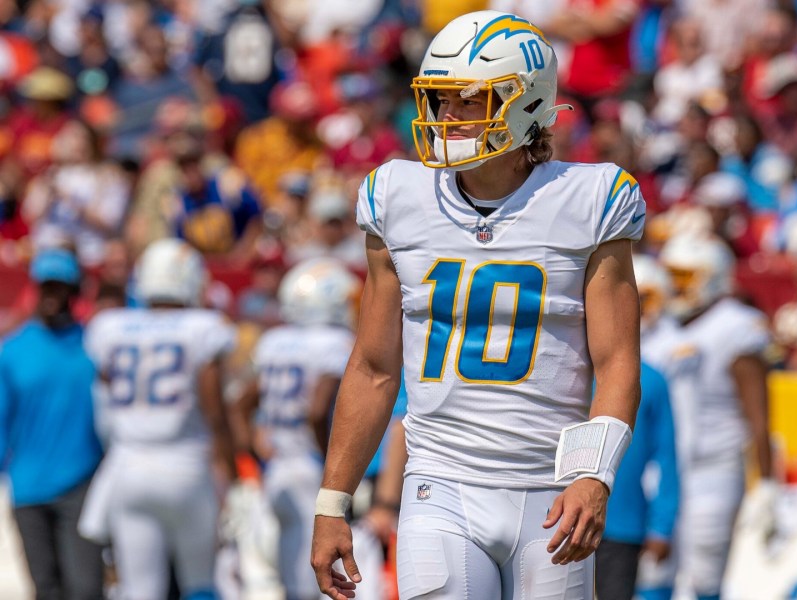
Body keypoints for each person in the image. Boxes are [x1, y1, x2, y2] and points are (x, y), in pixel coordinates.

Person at [310, 10, 644, 600]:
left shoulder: (592, 198)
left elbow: (617, 362)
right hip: (439, 483)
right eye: (441, 100)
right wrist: (333, 502)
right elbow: (374, 365)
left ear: (528, 103)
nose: (450, 116)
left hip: (550, 487)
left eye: (472, 99)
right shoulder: (396, 196)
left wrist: (595, 474)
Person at [82, 238, 237, 600]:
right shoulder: (203, 326)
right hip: (185, 467)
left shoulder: (110, 327)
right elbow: (215, 410)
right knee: (200, 583)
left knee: (139, 590)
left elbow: (107, 382)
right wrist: (232, 475)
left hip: (128, 469)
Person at [641, 233, 776, 600]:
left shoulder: (736, 325)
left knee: (704, 578)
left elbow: (759, 414)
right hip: (661, 467)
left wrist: (766, 481)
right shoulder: (657, 324)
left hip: (714, 467)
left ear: (712, 276)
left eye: (685, 276)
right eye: (672, 274)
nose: (675, 285)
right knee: (651, 575)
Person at [231, 257, 360, 600]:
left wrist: (256, 452)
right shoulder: (334, 343)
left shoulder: (274, 341)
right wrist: (329, 459)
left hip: (277, 469)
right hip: (310, 468)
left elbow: (241, 404)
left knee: (293, 577)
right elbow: (317, 412)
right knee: (320, 582)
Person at [0, 248, 105, 600]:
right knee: (46, 589)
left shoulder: (94, 346)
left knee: (86, 589)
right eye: (46, 287)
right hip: (27, 488)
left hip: (82, 485)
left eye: (60, 288)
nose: (51, 296)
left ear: (74, 292)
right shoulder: (12, 351)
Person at [595, 254, 679, 600]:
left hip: (622, 524)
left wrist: (661, 524)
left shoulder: (655, 379)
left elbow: (667, 458)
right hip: (559, 518)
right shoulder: (569, 369)